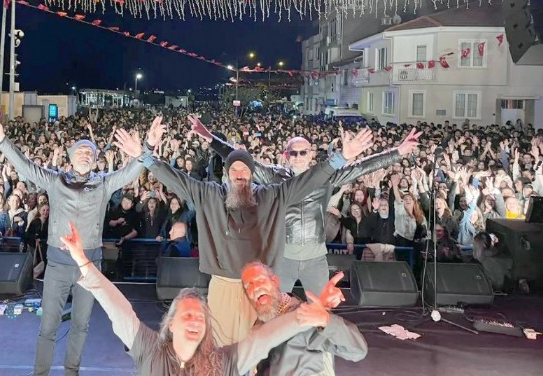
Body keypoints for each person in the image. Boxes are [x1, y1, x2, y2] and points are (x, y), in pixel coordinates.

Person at [119, 120, 374, 346]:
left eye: (244, 171)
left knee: (258, 345)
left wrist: (341, 158)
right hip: (222, 285)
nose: (239, 175)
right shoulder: (209, 194)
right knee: (220, 345)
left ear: (252, 175)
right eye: (234, 171)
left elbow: (308, 180)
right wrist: (145, 156)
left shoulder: (271, 196)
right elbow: (175, 178)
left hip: (259, 287)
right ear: (227, 174)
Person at [0, 109, 154, 376]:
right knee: (48, 326)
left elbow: (134, 169)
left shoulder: (104, 184)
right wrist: (2, 138)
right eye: (81, 150)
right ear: (71, 157)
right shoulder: (54, 181)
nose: (86, 154)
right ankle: (41, 373)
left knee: (81, 325)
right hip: (59, 267)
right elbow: (25, 165)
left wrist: (149, 146)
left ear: (95, 161)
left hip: (90, 267)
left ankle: (71, 371)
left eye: (91, 153)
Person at [59, 222, 333, 375]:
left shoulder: (224, 361)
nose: (194, 320)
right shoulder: (148, 348)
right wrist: (84, 262)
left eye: (200, 317)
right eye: (187, 315)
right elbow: (117, 307)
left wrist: (307, 314)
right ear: (171, 324)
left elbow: (264, 338)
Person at [190, 115, 420, 297]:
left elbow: (361, 168)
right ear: (286, 155)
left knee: (321, 310)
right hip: (282, 257)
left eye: (303, 152)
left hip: (315, 258)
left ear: (311, 154)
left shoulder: (325, 176)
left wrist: (397, 152)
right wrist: (209, 137)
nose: (298, 156)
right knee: (274, 311)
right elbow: (239, 158)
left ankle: (320, 355)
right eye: (294, 152)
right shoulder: (273, 176)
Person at [241, 262, 368, 375]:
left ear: (275, 281)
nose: (255, 288)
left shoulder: (308, 316)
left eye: (260, 280)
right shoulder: (259, 325)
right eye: (249, 286)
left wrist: (327, 320)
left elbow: (357, 351)